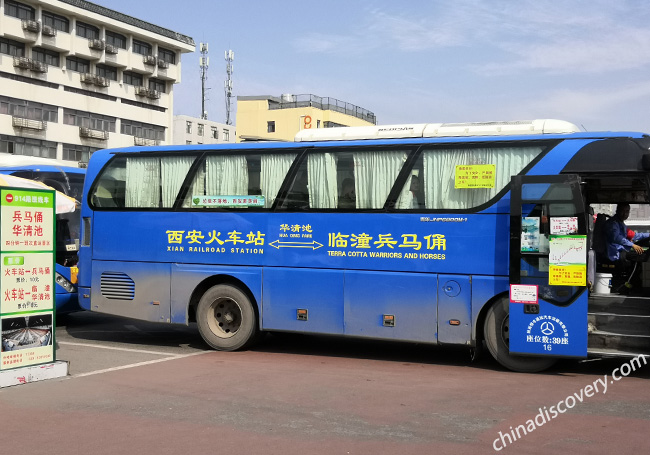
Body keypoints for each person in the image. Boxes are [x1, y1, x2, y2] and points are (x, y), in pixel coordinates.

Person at [604, 203, 650, 268]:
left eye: (627, 211)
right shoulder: (612, 224)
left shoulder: (621, 224)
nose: (625, 214)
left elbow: (634, 235)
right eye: (622, 211)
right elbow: (616, 237)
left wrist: (648, 235)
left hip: (622, 251)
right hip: (615, 253)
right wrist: (633, 245)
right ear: (617, 211)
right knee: (643, 256)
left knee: (642, 254)